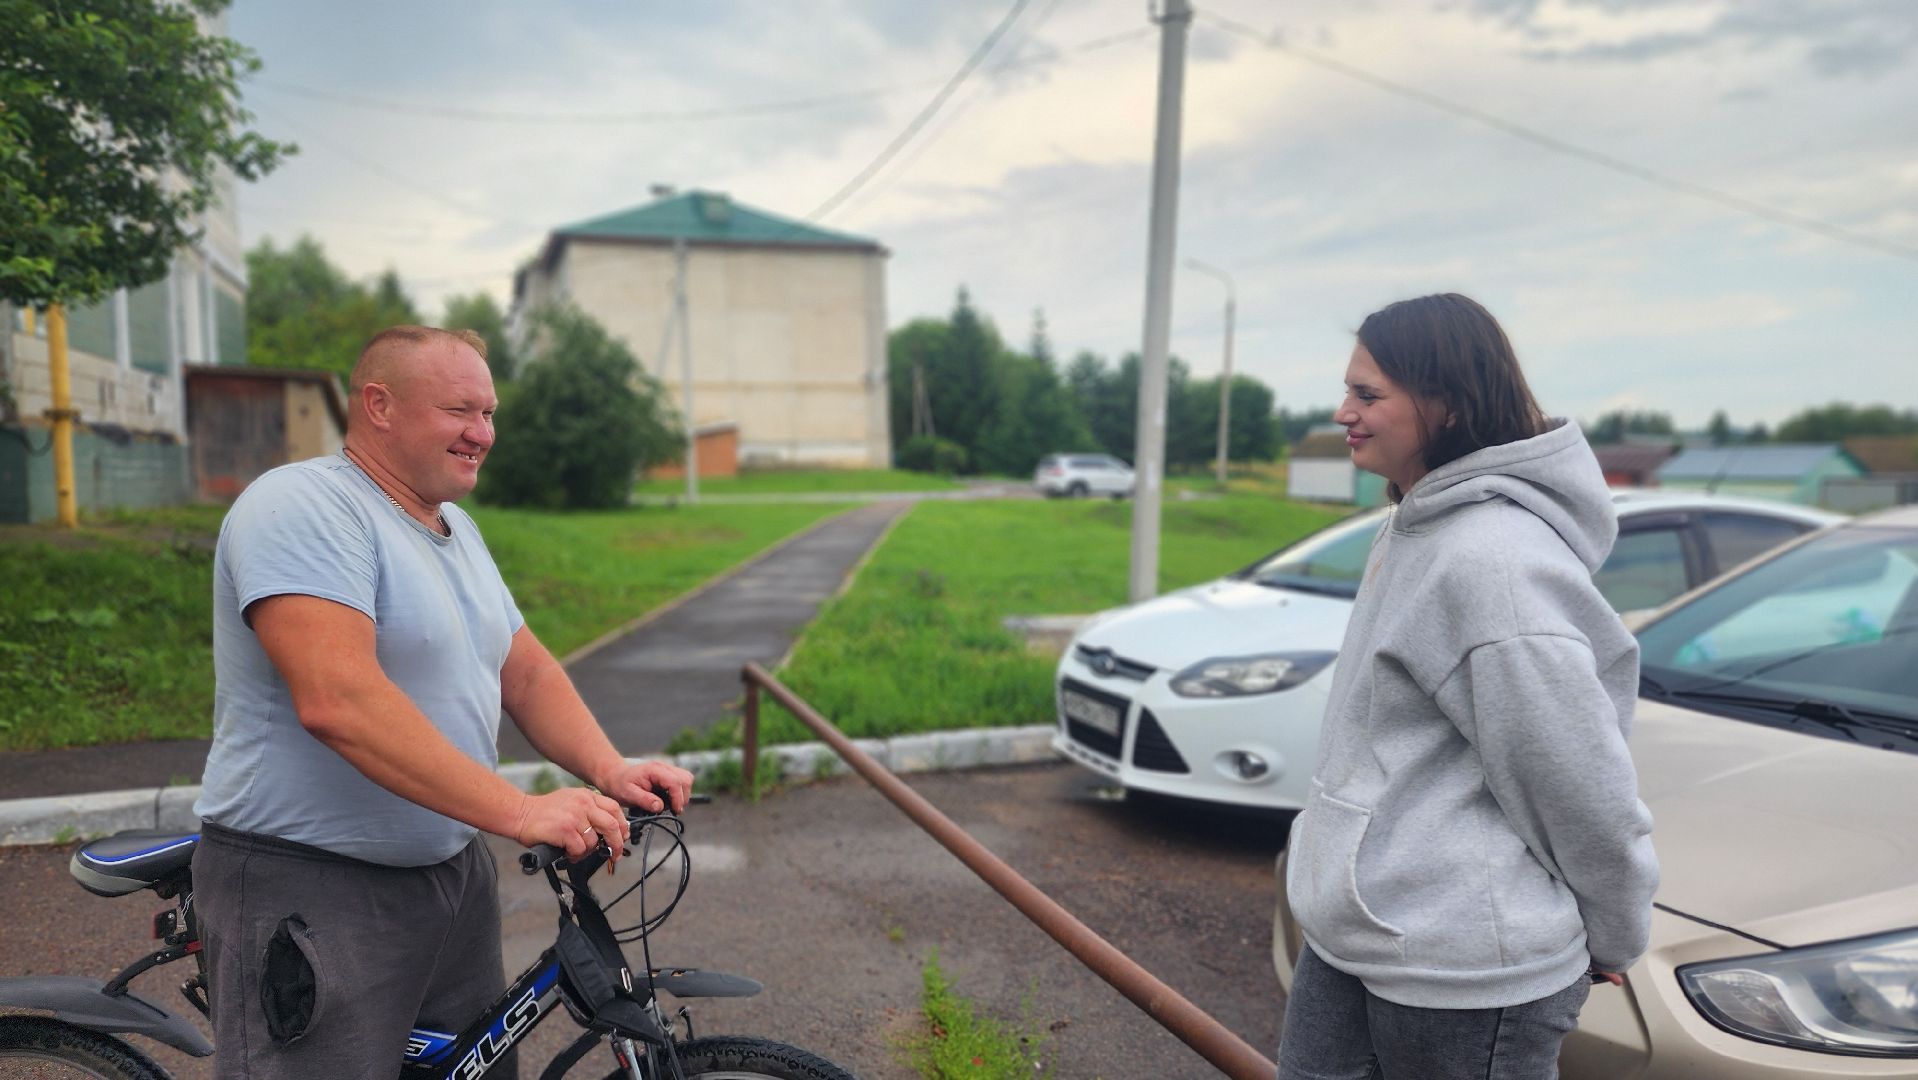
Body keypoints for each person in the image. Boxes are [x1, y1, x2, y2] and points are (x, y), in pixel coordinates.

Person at [190, 325, 695, 1080]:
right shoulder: (303, 507)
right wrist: (524, 812)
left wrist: (608, 765)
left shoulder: (455, 528)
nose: (482, 433)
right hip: (315, 886)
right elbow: (339, 700)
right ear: (379, 405)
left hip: (451, 874)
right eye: (461, 410)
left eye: (489, 413)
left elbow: (521, 669)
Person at [1277, 294, 1658, 1079]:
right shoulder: (1411, 525)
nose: (1343, 412)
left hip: (1466, 970)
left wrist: (1615, 930)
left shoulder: (1492, 563)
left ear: (1446, 404)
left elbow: (1575, 779)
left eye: (1368, 395)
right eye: (1349, 389)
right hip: (1364, 927)